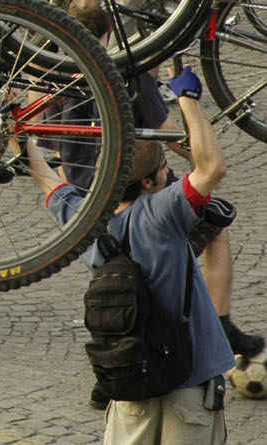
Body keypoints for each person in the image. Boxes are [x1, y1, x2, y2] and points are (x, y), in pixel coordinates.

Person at [29, 66, 233, 443]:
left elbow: (42, 173)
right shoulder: (163, 213)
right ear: (149, 181)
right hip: (189, 385)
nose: (168, 173)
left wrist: (14, 128)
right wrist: (188, 100)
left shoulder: (85, 221)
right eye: (163, 168)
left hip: (130, 384)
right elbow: (212, 167)